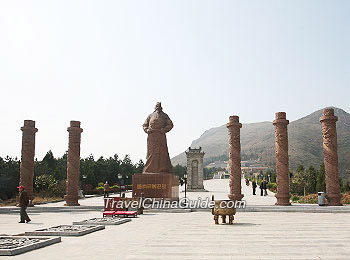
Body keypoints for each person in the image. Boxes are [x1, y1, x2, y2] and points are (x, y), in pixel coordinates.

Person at [142, 102, 174, 173]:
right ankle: (149, 169)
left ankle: (162, 169)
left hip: (160, 135)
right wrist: (147, 129)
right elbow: (144, 125)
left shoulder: (164, 116)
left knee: (162, 153)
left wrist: (164, 130)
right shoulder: (150, 115)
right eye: (157, 106)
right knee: (151, 153)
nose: (158, 107)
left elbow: (170, 124)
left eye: (159, 106)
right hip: (151, 136)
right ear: (155, 107)